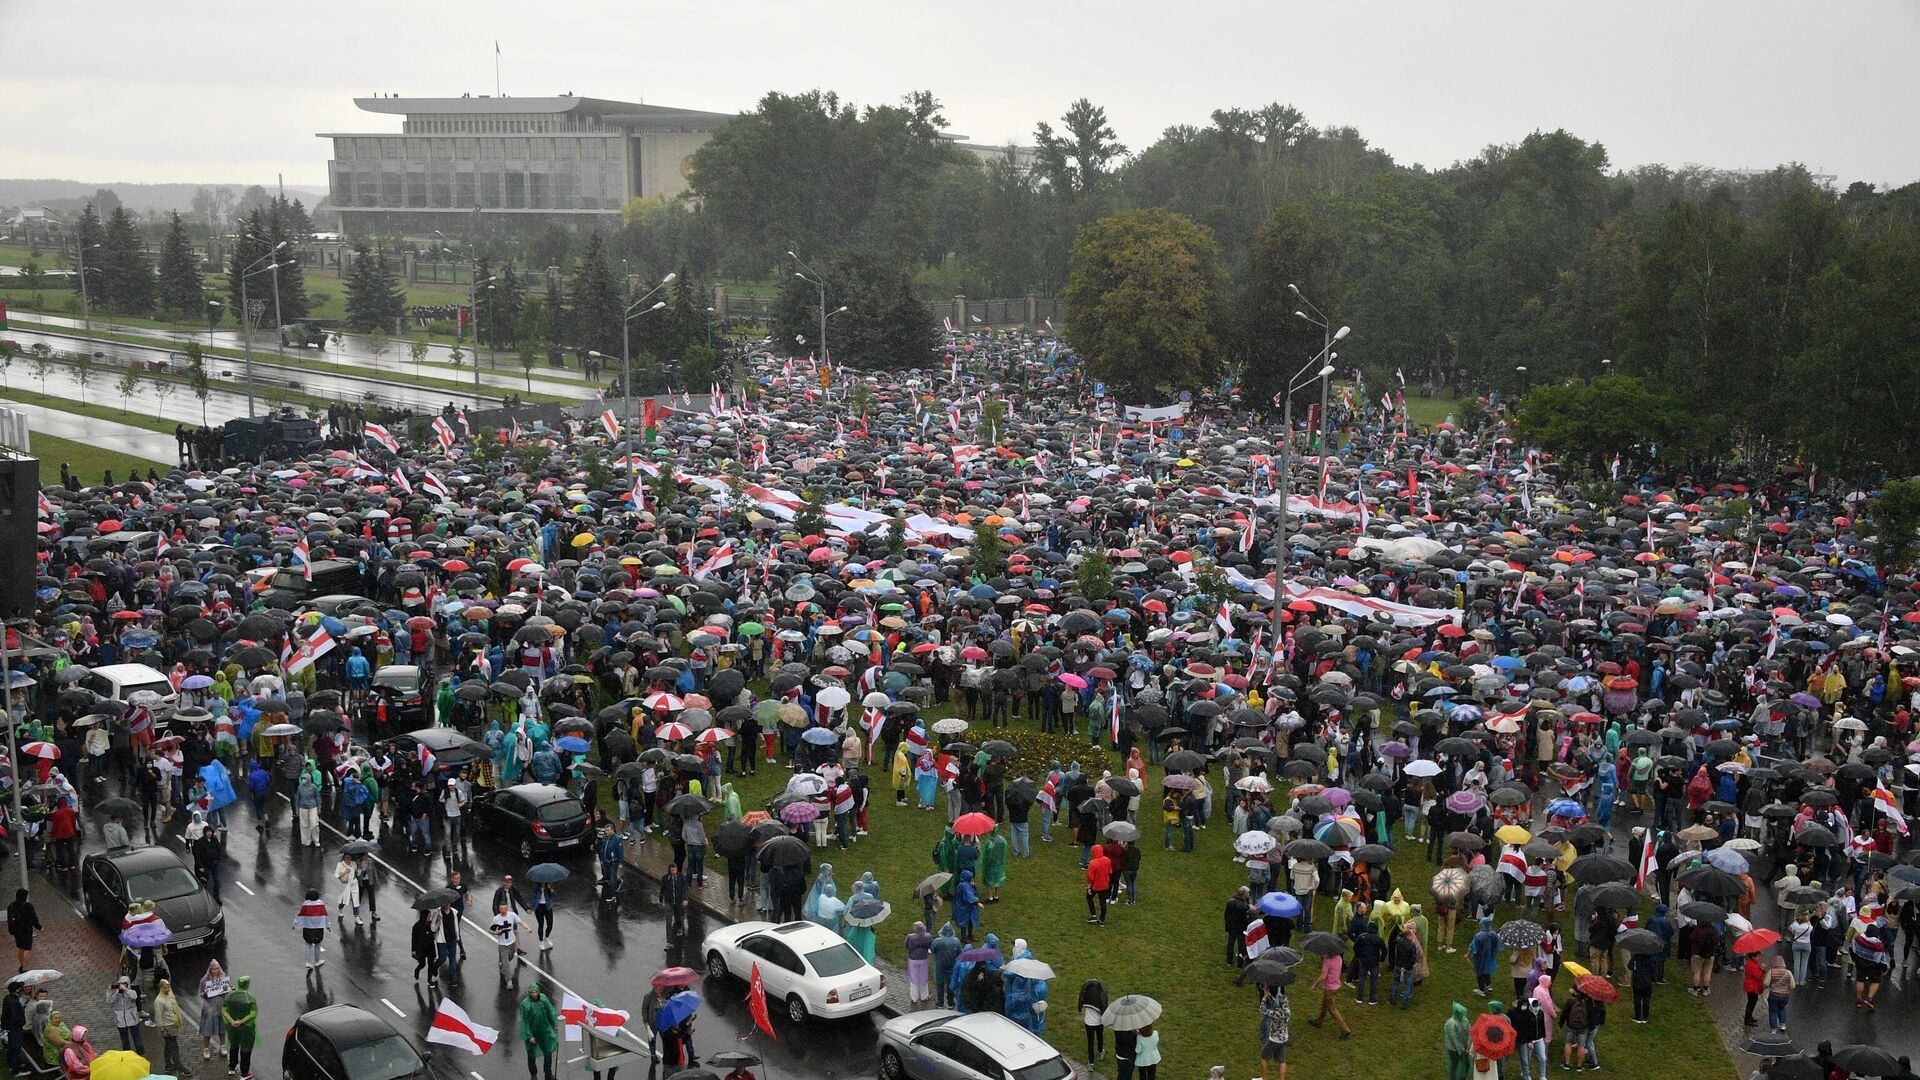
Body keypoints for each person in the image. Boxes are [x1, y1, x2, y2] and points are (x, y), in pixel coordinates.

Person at [1305, 949, 1351, 1039]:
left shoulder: (1327, 962)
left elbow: (1322, 977)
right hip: (1336, 985)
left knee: (1332, 1009)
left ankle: (1345, 1030)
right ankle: (1319, 1021)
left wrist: (1314, 986)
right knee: (1324, 1004)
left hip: (1330, 988)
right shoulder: (1338, 958)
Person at [519, 982, 560, 1080]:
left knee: (548, 1051)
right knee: (531, 1054)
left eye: (535, 992)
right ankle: (533, 1074)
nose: (534, 994)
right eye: (532, 992)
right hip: (533, 1032)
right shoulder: (525, 1004)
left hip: (545, 1030)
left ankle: (548, 1073)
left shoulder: (544, 999)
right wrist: (529, 1036)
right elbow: (524, 1021)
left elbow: (550, 1011)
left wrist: (554, 1025)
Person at [221, 976, 258, 1079]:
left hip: (232, 1028)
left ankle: (232, 1068)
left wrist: (232, 1021)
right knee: (246, 1049)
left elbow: (224, 1010)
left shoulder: (229, 996)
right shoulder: (250, 997)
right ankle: (244, 1073)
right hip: (247, 1029)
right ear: (247, 984)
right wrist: (241, 1021)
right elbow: (253, 1013)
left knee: (233, 1045)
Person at [198, 958, 232, 1061]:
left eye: (217, 968)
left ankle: (222, 1045)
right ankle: (206, 1048)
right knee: (207, 1029)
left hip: (221, 1007)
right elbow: (201, 994)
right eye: (214, 969)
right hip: (209, 1009)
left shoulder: (223, 978)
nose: (216, 970)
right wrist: (205, 992)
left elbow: (228, 992)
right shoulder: (204, 980)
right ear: (210, 969)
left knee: (222, 1028)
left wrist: (231, 988)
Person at [151, 977, 185, 1074]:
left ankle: (168, 1064)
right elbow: (159, 1016)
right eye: (165, 988)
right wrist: (162, 1030)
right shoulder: (159, 1001)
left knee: (168, 1046)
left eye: (168, 987)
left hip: (174, 1025)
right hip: (167, 1028)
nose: (167, 989)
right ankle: (180, 1067)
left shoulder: (170, 995)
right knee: (174, 1047)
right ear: (161, 988)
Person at [1258, 986, 1290, 1080]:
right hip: (1284, 1038)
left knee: (1264, 1059)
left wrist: (1264, 998)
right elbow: (1276, 1002)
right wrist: (1268, 995)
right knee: (1282, 1061)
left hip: (1274, 1040)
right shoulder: (1287, 1011)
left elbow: (1262, 1009)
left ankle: (1264, 1079)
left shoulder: (1276, 1013)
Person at [491, 900, 526, 982]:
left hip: (511, 942)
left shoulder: (512, 915)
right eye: (502, 909)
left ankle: (502, 963)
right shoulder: (496, 919)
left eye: (505, 909)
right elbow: (490, 930)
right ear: (499, 909)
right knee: (506, 963)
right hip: (502, 944)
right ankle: (509, 980)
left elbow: (520, 922)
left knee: (511, 956)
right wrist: (496, 932)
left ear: (507, 908)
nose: (503, 910)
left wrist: (527, 928)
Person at [108, 974, 143, 1053]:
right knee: (124, 1041)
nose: (122, 986)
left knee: (137, 1039)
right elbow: (109, 1001)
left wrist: (126, 990)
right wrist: (109, 992)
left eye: (125, 984)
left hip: (133, 1020)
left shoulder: (131, 992)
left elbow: (134, 996)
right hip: (121, 1022)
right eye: (121, 984)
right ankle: (126, 1055)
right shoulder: (117, 994)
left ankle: (141, 1054)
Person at [931, 922, 963, 1009]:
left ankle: (940, 1003)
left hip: (940, 966)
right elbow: (960, 953)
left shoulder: (937, 941)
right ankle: (950, 1002)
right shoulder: (956, 941)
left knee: (940, 984)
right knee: (951, 984)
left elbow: (932, 950)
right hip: (952, 965)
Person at [7, 889, 40, 973]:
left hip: (16, 931)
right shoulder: (28, 906)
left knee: (20, 948)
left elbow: (9, 919)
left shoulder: (11, 906)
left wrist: (11, 930)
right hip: (26, 931)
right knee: (27, 949)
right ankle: (24, 969)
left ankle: (21, 965)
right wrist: (39, 927)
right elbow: (33, 919)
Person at [1390, 923, 1420, 1008]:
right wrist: (1407, 966)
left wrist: (1405, 931)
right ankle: (1405, 1004)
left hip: (1398, 965)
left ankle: (1393, 999)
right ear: (1409, 936)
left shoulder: (1400, 941)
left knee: (1395, 982)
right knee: (1407, 985)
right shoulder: (1412, 945)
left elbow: (1397, 937)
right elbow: (1413, 958)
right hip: (1408, 968)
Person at [2, 982, 28, 1077]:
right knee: (15, 1048)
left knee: (11, 1047)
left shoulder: (8, 998)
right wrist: (22, 1022)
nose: (22, 989)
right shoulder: (13, 1001)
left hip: (10, 1027)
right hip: (15, 1028)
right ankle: (16, 1071)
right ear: (17, 989)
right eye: (21, 987)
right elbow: (14, 1016)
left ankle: (12, 1065)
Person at [1469, 915, 1500, 995]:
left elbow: (1474, 946)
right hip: (1489, 956)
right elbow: (1497, 945)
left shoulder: (1478, 935)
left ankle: (1481, 989)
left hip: (1479, 957)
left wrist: (1469, 953)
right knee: (1486, 971)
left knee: (1479, 972)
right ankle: (1489, 987)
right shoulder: (1493, 934)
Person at [1764, 952, 1794, 1033]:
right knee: (1782, 1009)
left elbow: (1766, 983)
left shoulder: (1771, 971)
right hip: (1785, 996)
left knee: (1773, 1011)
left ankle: (1773, 1029)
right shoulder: (1788, 972)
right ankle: (1783, 1025)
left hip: (1773, 995)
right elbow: (1792, 986)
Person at [1080, 978, 1108, 1062]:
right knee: (1100, 1037)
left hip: (1088, 1023)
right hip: (1099, 1022)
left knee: (1090, 1043)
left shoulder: (1085, 997)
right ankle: (1100, 1052)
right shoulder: (1101, 997)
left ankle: (1091, 1063)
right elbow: (1104, 1009)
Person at [905, 921, 933, 1003]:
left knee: (913, 979)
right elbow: (930, 945)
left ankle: (914, 997)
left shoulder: (910, 937)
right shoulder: (927, 936)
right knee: (923, 978)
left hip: (913, 960)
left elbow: (906, 945)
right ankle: (924, 996)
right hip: (923, 959)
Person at [412, 908, 441, 984]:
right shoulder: (416, 926)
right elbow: (414, 939)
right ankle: (417, 970)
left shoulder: (430, 925)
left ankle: (429, 979)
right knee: (422, 964)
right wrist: (413, 950)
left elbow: (434, 930)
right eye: (428, 915)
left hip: (430, 947)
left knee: (431, 964)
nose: (429, 917)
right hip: (421, 948)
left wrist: (437, 920)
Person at [1085, 849, 1112, 926]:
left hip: (1095, 886)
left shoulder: (1093, 863)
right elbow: (1110, 871)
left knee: (1089, 898)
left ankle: (1093, 915)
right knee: (1103, 902)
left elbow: (1090, 877)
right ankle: (1102, 920)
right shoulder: (1107, 860)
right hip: (1105, 885)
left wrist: (1089, 885)